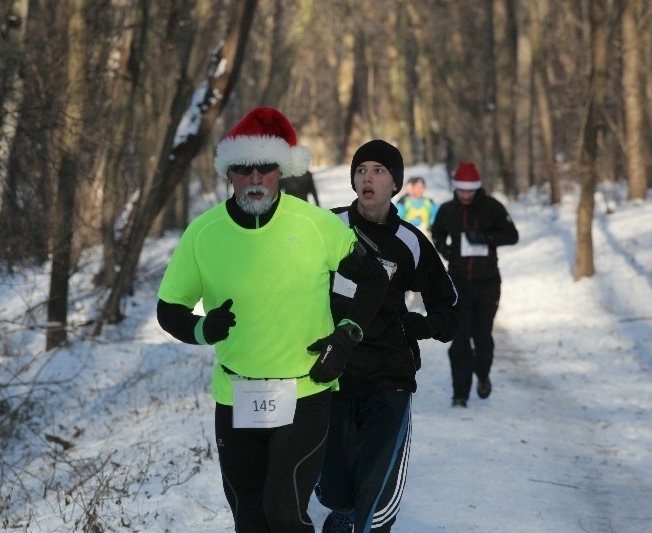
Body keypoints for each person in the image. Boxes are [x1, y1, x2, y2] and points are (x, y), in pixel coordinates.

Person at [156, 107, 389, 532]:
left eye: (265, 168)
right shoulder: (203, 234)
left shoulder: (317, 225)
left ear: (280, 172)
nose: (256, 178)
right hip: (236, 393)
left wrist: (346, 336)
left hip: (305, 390)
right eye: (244, 169)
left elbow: (374, 277)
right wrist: (200, 329)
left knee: (283, 511)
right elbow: (169, 310)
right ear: (229, 174)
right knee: (250, 518)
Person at [315, 140, 458, 533]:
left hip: (389, 376)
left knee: (376, 489)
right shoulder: (329, 228)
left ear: (394, 182)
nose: (368, 178)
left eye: (378, 170)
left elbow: (448, 306)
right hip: (333, 373)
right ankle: (343, 518)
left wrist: (422, 325)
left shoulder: (410, 241)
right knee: (336, 489)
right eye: (361, 170)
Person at [431, 161, 519, 407]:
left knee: (482, 336)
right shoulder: (447, 210)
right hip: (458, 281)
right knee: (459, 339)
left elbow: (512, 235)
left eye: (470, 191)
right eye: (462, 190)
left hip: (487, 282)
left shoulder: (492, 207)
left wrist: (485, 238)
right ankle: (460, 394)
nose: (466, 195)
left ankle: (482, 374)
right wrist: (444, 249)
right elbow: (436, 232)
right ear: (456, 189)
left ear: (477, 188)